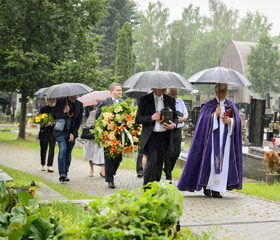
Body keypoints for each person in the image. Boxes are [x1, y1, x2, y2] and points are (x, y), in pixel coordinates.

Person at [177, 84, 243, 198]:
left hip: (226, 141)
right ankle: (207, 186)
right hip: (211, 142)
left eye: (226, 91)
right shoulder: (209, 105)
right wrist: (214, 115)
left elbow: (237, 121)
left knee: (223, 164)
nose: (225, 93)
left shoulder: (230, 105)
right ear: (216, 92)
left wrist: (231, 121)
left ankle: (217, 189)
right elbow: (203, 122)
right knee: (212, 163)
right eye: (222, 91)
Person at [136, 88, 178, 186]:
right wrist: (151, 117)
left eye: (165, 87)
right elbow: (138, 118)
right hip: (151, 137)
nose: (165, 89)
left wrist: (173, 125)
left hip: (165, 136)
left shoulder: (170, 100)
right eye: (162, 88)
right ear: (155, 87)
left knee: (159, 164)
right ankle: (147, 188)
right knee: (151, 163)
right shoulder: (144, 99)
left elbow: (175, 117)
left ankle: (156, 187)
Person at [95, 83, 122, 189]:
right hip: (107, 134)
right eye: (118, 90)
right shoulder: (105, 102)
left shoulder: (123, 103)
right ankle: (110, 180)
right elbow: (97, 116)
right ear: (112, 91)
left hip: (119, 134)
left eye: (120, 90)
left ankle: (111, 172)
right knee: (109, 157)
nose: (120, 92)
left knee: (118, 158)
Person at [53, 95, 83, 182]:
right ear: (68, 96)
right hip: (61, 131)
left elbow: (79, 121)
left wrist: (73, 134)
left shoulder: (79, 105)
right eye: (72, 98)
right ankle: (61, 173)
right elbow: (55, 116)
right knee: (62, 150)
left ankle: (65, 173)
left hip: (71, 132)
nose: (73, 100)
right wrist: (64, 112)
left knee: (68, 153)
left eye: (75, 98)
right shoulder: (60, 102)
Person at [164, 88, 188, 181]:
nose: (175, 96)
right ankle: (168, 176)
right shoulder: (166, 102)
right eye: (173, 94)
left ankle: (167, 169)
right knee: (168, 152)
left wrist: (182, 119)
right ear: (168, 94)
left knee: (176, 152)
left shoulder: (180, 101)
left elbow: (185, 114)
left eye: (176, 94)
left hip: (178, 129)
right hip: (168, 130)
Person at [82, 109, 105, 177]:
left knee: (102, 153)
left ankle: (103, 170)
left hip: (102, 136)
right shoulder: (93, 112)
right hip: (92, 136)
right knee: (91, 153)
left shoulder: (106, 112)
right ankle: (91, 170)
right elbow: (88, 123)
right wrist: (95, 122)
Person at [38, 98, 56, 172]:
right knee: (43, 148)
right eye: (50, 99)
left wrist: (53, 123)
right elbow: (39, 119)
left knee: (52, 148)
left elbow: (58, 119)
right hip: (44, 131)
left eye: (53, 100)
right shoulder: (43, 109)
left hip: (53, 131)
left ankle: (50, 165)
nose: (52, 101)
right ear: (47, 100)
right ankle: (43, 164)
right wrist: (44, 124)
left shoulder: (56, 109)